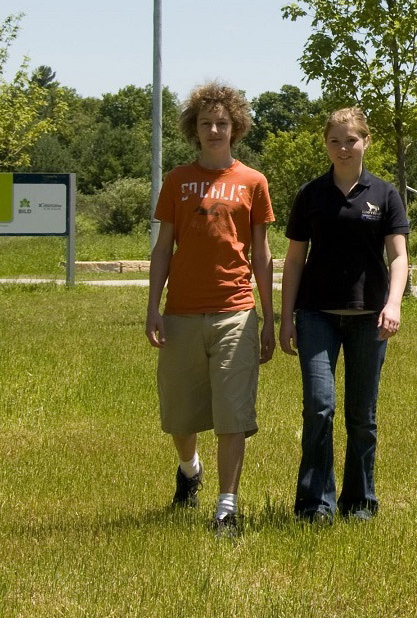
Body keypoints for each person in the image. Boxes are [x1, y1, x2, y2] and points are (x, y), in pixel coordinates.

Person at [146, 82, 275, 537]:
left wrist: (269, 318)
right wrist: (152, 308)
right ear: (194, 130)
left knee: (232, 413)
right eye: (206, 123)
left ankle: (226, 507)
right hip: (181, 313)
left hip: (236, 312)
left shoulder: (253, 182)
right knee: (180, 417)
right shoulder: (178, 180)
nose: (215, 130)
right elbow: (163, 249)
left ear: (235, 128)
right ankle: (189, 468)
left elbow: (261, 255)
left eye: (222, 123)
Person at [279, 107, 409, 524]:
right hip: (316, 314)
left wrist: (393, 303)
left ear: (366, 141)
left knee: (361, 414)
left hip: (370, 317)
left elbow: (399, 257)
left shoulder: (385, 194)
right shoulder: (310, 195)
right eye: (334, 140)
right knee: (319, 406)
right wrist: (285, 317)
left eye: (350, 139)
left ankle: (360, 502)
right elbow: (294, 260)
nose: (342, 148)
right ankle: (315, 504)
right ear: (326, 144)